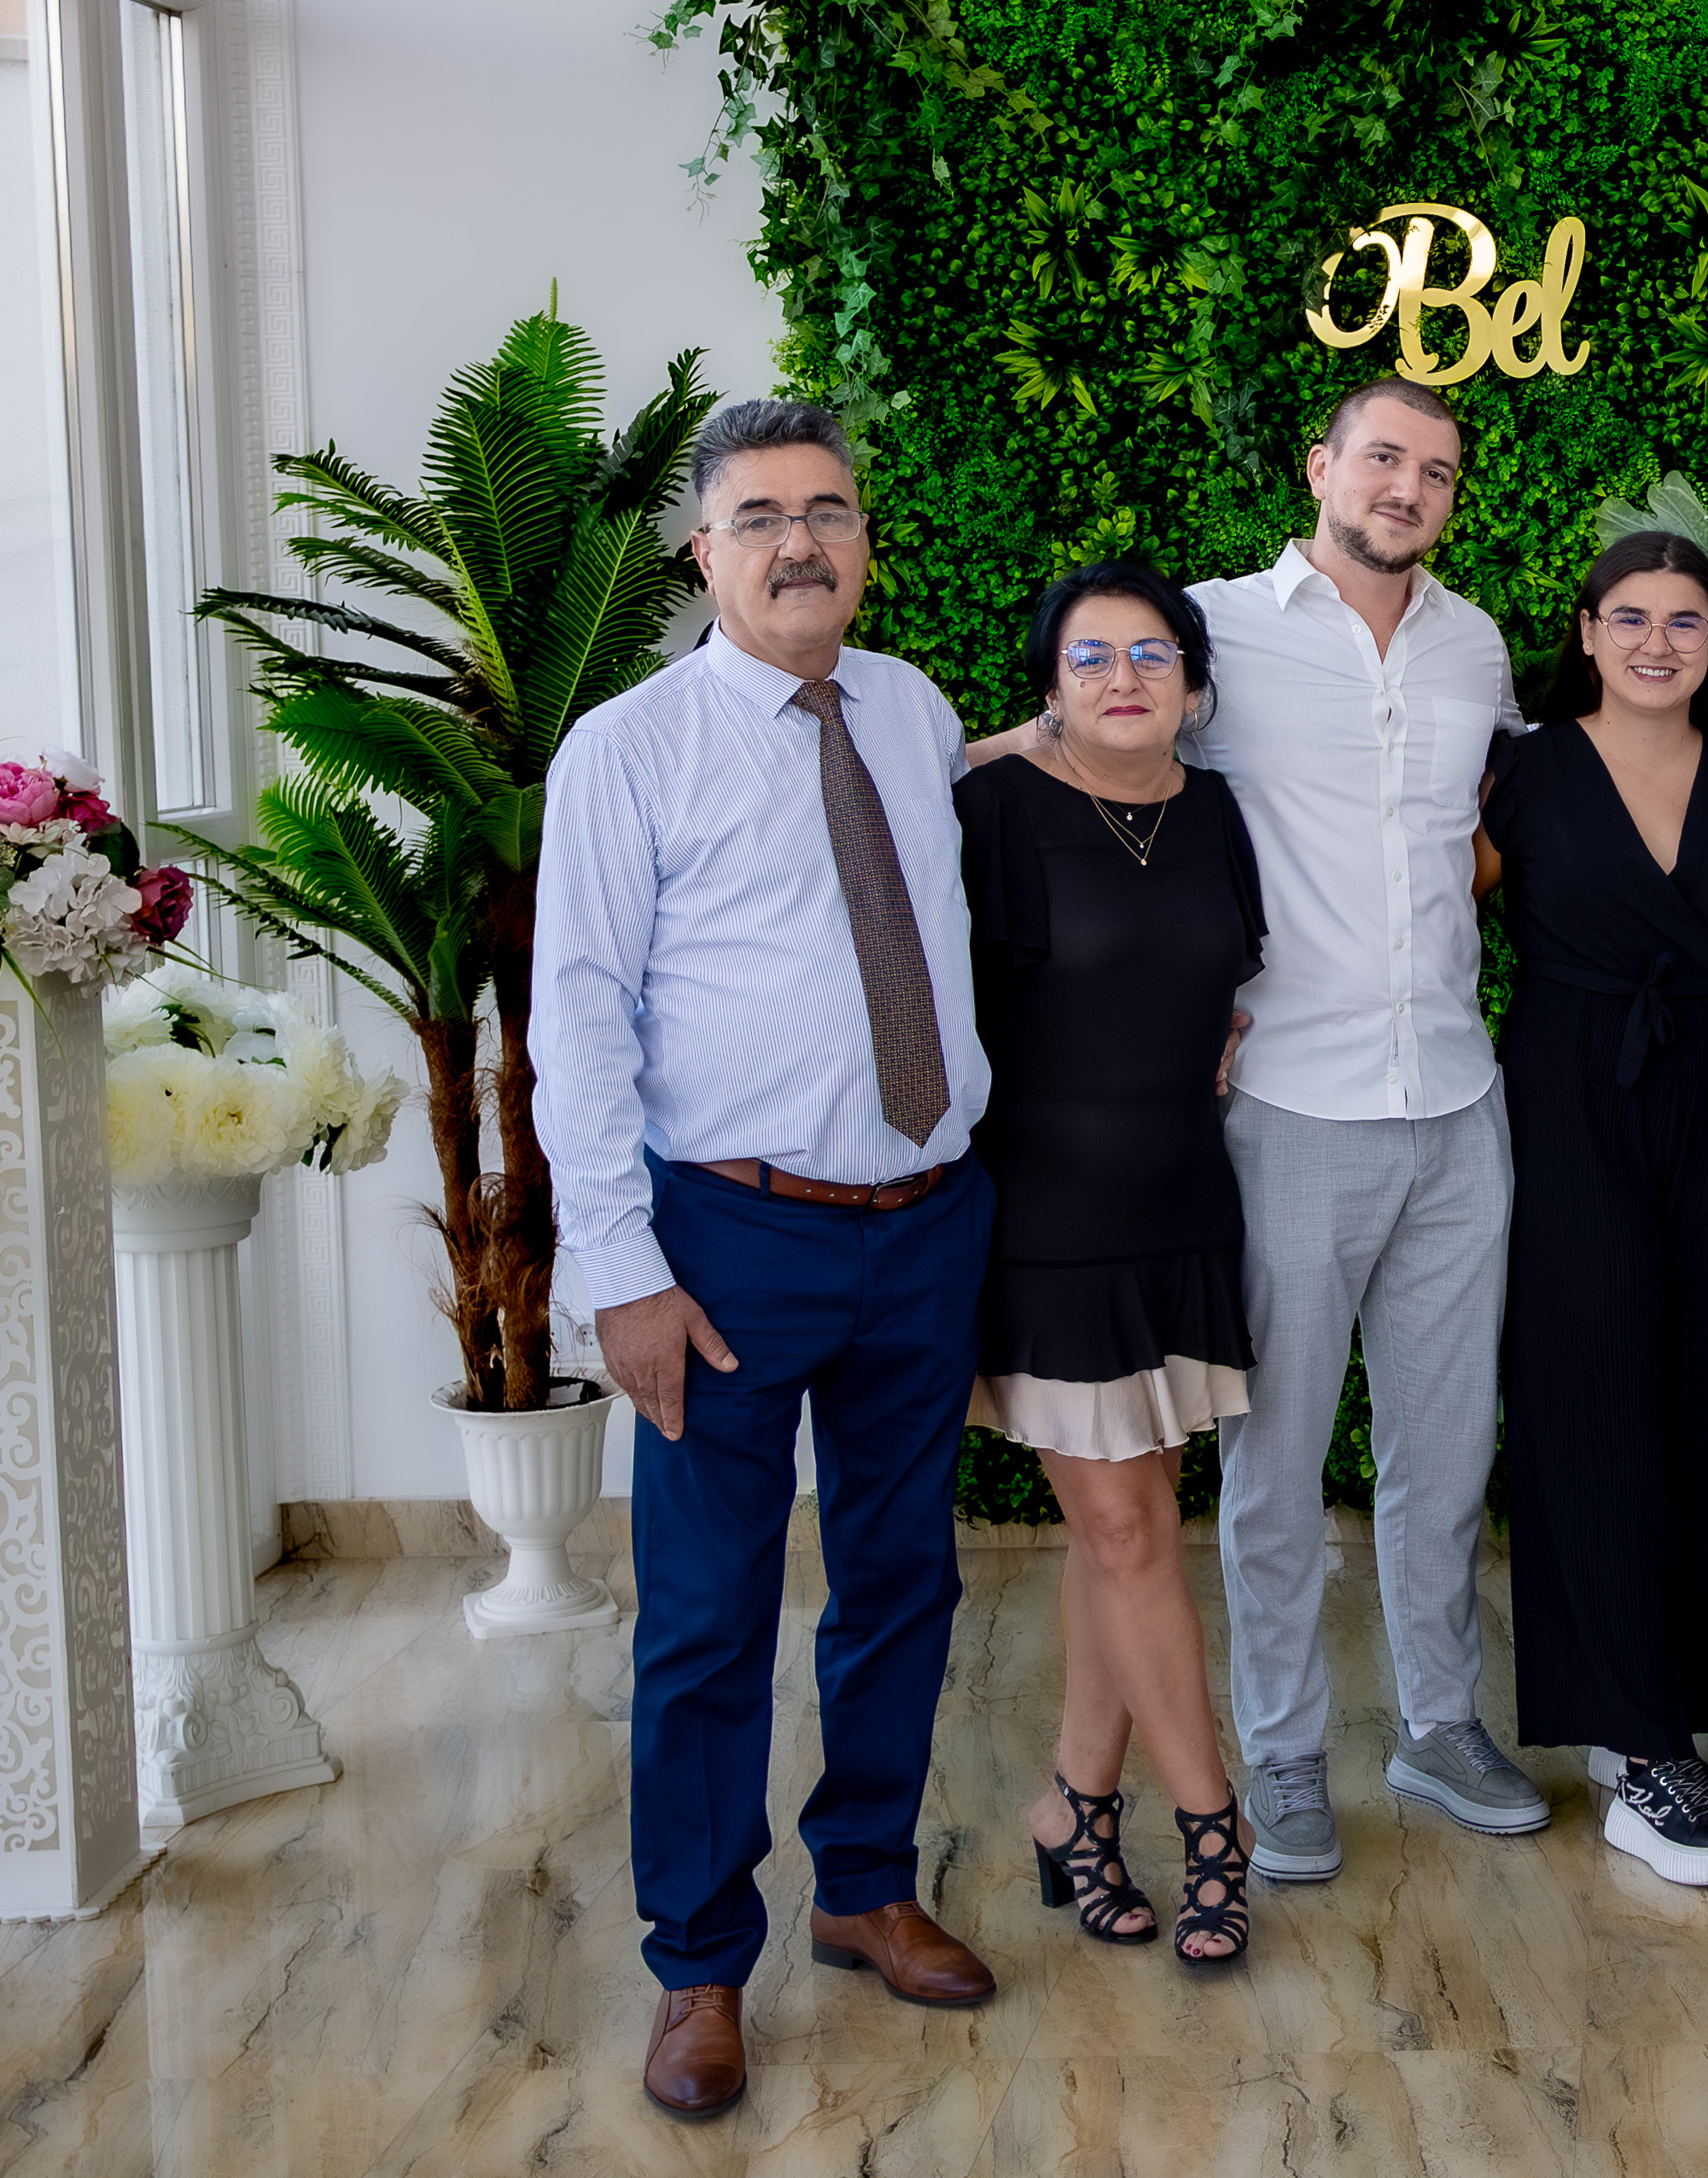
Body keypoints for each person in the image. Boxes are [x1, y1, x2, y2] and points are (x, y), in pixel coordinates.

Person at [534, 399, 1000, 2121]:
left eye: (827, 510)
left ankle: (864, 1884)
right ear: (702, 551)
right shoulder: (628, 750)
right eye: (759, 517)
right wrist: (621, 1270)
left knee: (900, 1579)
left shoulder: (912, 710)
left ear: (864, 536)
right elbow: (577, 1023)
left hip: (926, 1221)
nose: (799, 542)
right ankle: (697, 1961)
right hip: (725, 1242)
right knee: (709, 1614)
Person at [1153, 378, 1547, 1877]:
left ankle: (1438, 1724)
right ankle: (1282, 1750)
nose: (1408, 488)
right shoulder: (1208, 629)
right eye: (1384, 458)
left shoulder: (1474, 643)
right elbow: (1106, 771)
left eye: (1436, 472)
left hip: (1455, 1100)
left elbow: (1482, 843)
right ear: (1320, 466)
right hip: (1291, 1107)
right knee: (1277, 1465)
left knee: (1446, 1453)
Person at [1480, 531, 1708, 1887]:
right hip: (1569, 1090)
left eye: (1684, 621)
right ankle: (1638, 1744)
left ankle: (1671, 1710)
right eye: (1631, 617)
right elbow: (1418, 914)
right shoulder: (1524, 771)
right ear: (1587, 631)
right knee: (1591, 1394)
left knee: (1702, 1395)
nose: (1657, 643)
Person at [959, 562, 1264, 1968]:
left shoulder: (1218, 813)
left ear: (1194, 686)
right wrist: (1010, 743)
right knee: (1133, 1533)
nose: (1124, 678)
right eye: (1090, 657)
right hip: (1049, 1227)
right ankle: (1215, 1826)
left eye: (1152, 655)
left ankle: (1072, 1807)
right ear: (1048, 684)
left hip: (1185, 1210)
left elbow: (1217, 991)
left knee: (1121, 1533)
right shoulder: (995, 811)